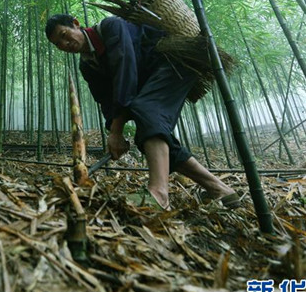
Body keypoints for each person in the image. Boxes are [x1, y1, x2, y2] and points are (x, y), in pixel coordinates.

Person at [45, 14, 240, 210]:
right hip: (148, 83)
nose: (64, 43)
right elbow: (105, 99)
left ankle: (159, 194)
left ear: (76, 24)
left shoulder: (111, 27)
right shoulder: (87, 65)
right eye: (58, 43)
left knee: (146, 110)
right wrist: (114, 133)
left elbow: (125, 70)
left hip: (172, 64)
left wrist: (117, 131)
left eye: (64, 34)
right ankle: (220, 189)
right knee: (145, 136)